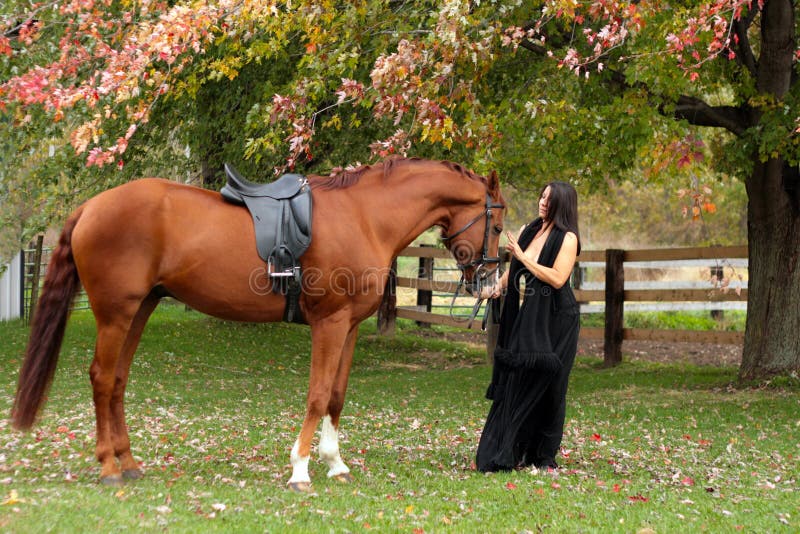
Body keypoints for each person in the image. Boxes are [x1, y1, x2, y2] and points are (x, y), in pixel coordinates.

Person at [476, 181, 581, 472]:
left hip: (559, 318)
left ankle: (543, 454)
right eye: (542, 195)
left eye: (550, 199)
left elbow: (558, 278)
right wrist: (495, 288)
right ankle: (515, 447)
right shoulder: (529, 230)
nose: (543, 202)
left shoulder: (568, 238)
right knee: (519, 379)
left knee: (552, 386)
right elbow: (515, 270)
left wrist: (522, 257)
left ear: (563, 204)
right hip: (531, 316)